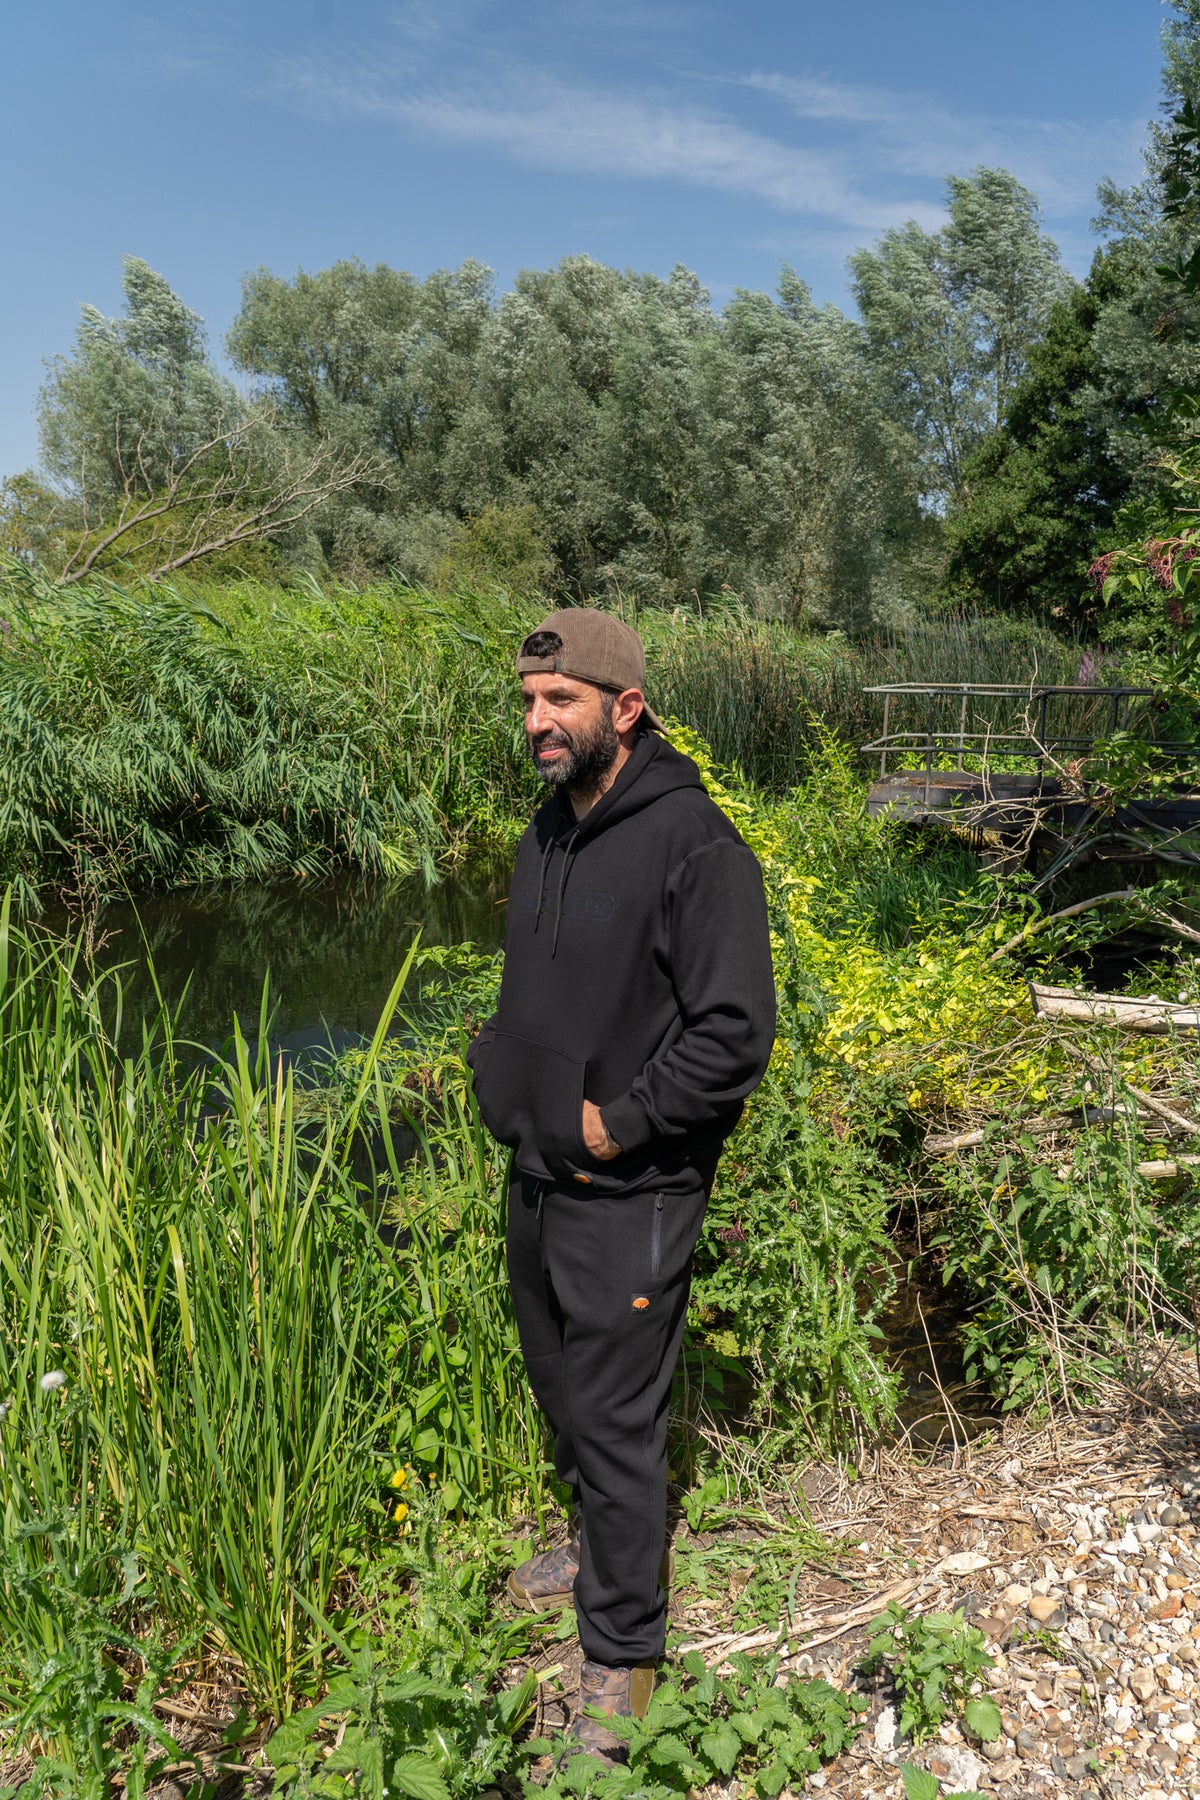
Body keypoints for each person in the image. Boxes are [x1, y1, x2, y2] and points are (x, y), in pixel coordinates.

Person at [466, 608, 775, 1763]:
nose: (537, 721)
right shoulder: (547, 831)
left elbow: (734, 1032)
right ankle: (601, 1553)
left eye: (561, 700)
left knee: (616, 1414)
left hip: (629, 1185)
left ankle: (626, 1659)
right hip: (536, 1165)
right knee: (560, 1383)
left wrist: (618, 1123)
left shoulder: (696, 844)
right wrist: (501, 1073)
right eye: (528, 700)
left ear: (626, 708)